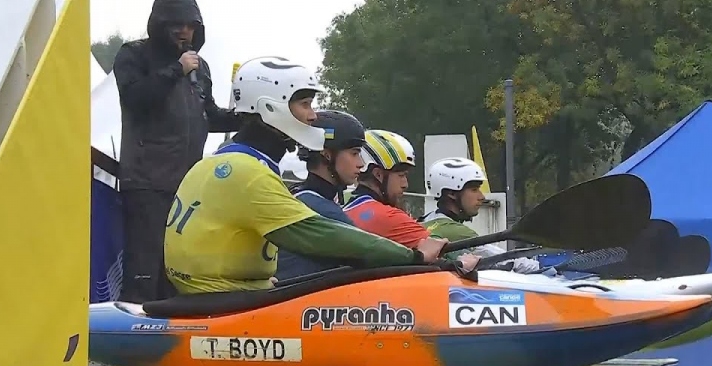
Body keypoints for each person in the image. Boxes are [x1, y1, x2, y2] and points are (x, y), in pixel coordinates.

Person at [163, 56, 478, 294]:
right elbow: (318, 234)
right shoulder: (247, 173)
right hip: (223, 301)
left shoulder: (226, 162)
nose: (313, 115)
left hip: (228, 293)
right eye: (304, 103)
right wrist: (413, 257)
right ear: (270, 107)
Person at [112, 0, 241, 302]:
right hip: (147, 181)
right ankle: (133, 341)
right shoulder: (134, 55)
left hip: (187, 188)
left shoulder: (200, 67)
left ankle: (172, 337)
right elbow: (135, 99)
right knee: (144, 270)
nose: (185, 32)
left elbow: (209, 116)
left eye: (191, 26)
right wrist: (176, 70)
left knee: (179, 268)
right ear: (160, 26)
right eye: (177, 25)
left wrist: (244, 115)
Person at [275, 110, 367, 280]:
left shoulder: (299, 194)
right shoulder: (318, 207)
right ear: (326, 154)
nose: (361, 164)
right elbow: (371, 253)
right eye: (354, 153)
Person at [422, 157, 540, 272]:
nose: (482, 197)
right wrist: (542, 266)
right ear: (452, 193)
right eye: (474, 190)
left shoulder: (424, 221)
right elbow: (506, 259)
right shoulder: (453, 230)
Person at [342, 130, 433, 248]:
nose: (405, 184)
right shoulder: (389, 217)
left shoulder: (345, 209)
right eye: (401, 175)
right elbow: (440, 249)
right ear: (378, 174)